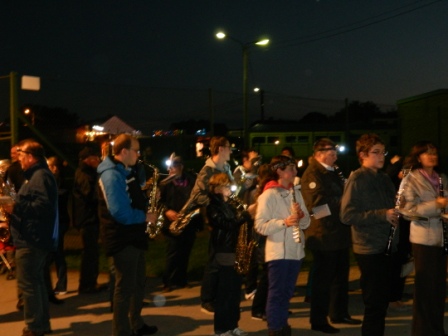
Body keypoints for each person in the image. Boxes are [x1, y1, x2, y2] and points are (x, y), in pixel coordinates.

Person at [97, 133, 158, 336]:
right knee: (125, 289)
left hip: (133, 236)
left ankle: (136, 324)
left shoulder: (124, 170)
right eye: (136, 150)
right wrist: (145, 216)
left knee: (138, 283)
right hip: (122, 238)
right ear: (124, 152)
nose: (139, 154)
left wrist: (146, 195)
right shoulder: (111, 175)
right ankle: (121, 331)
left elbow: (130, 198)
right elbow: (119, 212)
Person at [340, 133, 398, 336]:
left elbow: (391, 207)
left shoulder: (383, 178)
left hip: (386, 243)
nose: (382, 156)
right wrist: (383, 215)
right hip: (368, 246)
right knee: (374, 302)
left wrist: (399, 209)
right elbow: (347, 215)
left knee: (382, 301)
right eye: (376, 152)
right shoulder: (357, 178)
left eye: (383, 152)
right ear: (363, 154)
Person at [301, 138, 361, 334]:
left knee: (340, 277)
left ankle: (339, 313)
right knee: (323, 281)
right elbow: (316, 208)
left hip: (339, 232)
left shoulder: (333, 171)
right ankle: (318, 320)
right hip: (323, 234)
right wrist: (344, 200)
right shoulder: (313, 174)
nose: (335, 153)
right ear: (319, 153)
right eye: (330, 150)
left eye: (335, 150)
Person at [169, 136, 233, 315]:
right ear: (220, 149)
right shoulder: (207, 171)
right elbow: (198, 196)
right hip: (214, 220)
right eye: (228, 147)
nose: (231, 150)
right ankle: (207, 299)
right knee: (214, 260)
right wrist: (218, 201)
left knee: (223, 258)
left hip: (224, 219)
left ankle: (219, 294)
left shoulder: (225, 167)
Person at [255, 155, 311, 336]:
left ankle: (282, 323)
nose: (295, 172)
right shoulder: (269, 194)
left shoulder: (296, 192)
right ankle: (275, 328)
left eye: (295, 168)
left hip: (295, 250)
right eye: (291, 169)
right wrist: (284, 222)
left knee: (287, 291)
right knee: (277, 292)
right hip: (278, 251)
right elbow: (260, 225)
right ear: (279, 171)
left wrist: (301, 217)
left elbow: (306, 223)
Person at [8, 139, 59, 336]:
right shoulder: (37, 175)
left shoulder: (39, 177)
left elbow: (43, 208)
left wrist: (16, 207)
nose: (18, 159)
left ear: (31, 157)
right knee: (36, 284)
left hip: (32, 239)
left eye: (20, 155)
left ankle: (34, 326)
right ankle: (41, 324)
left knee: (29, 286)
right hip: (33, 238)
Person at [399, 141, 448, 336]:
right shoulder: (411, 179)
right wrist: (435, 206)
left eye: (434, 152)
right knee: (426, 288)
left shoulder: (442, 178)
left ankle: (436, 328)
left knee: (439, 289)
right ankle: (422, 331)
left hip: (442, 238)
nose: (432, 156)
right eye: (427, 153)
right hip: (423, 241)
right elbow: (407, 212)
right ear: (418, 157)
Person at [207, 172, 251, 336]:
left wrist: (246, 216)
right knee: (225, 292)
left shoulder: (232, 204)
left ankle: (233, 325)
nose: (230, 189)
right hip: (224, 251)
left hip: (235, 250)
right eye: (227, 186)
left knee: (234, 292)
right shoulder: (213, 206)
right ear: (217, 188)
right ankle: (221, 328)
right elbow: (225, 224)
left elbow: (239, 223)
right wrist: (242, 217)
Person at [160, 155, 199, 292]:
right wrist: (167, 211)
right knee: (172, 252)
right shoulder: (165, 183)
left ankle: (181, 280)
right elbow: (159, 202)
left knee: (185, 252)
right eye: (169, 167)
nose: (170, 169)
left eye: (173, 166)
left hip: (187, 222)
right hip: (171, 222)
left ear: (181, 167)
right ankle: (168, 282)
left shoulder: (192, 180)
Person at [72, 146, 104, 294]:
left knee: (92, 252)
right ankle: (87, 285)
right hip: (88, 219)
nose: (98, 160)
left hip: (88, 218)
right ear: (87, 159)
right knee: (90, 253)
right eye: (95, 157)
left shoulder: (86, 172)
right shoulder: (85, 174)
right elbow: (90, 195)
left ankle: (89, 283)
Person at [233, 149, 260, 301]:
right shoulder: (239, 174)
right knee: (248, 253)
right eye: (253, 160)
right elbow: (238, 190)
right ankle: (249, 287)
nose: (256, 163)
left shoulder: (257, 173)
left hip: (256, 217)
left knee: (254, 253)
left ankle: (251, 285)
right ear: (245, 161)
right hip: (244, 218)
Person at [43, 156, 70, 305]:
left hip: (60, 221)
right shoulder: (52, 181)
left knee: (57, 252)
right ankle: (59, 284)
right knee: (55, 252)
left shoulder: (59, 182)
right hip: (56, 221)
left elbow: (59, 198)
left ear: (54, 168)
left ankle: (62, 284)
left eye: (49, 166)